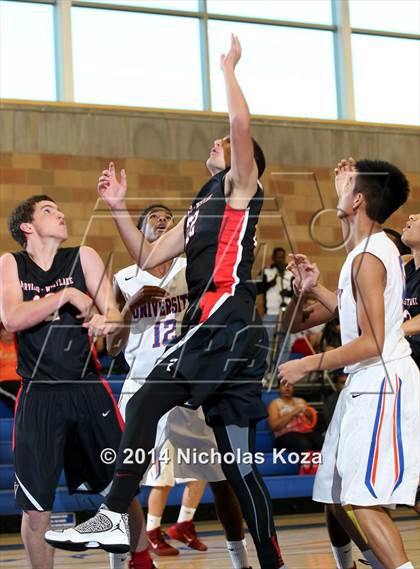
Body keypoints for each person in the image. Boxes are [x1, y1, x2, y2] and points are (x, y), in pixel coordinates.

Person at [45, 35, 286, 569]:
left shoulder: (240, 186)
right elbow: (150, 255)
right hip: (222, 335)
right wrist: (118, 207)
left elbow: (243, 127)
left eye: (224, 140)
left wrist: (227, 69)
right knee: (239, 467)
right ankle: (273, 562)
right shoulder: (202, 202)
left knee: (149, 397)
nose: (221, 140)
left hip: (225, 319)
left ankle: (111, 511)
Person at [0, 195, 154, 569]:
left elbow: (115, 315)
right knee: (37, 509)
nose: (62, 213)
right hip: (38, 394)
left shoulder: (83, 256)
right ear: (27, 226)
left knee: (120, 491)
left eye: (60, 207)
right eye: (49, 211)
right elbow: (12, 318)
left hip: (88, 390)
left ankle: (142, 559)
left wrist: (110, 321)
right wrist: (66, 295)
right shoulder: (11, 263)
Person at [279, 158, 418, 569]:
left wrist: (309, 364)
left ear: (358, 200)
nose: (337, 188)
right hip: (364, 384)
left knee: (364, 498)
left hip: (382, 379)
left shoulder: (370, 257)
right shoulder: (360, 254)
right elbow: (292, 325)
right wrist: (305, 290)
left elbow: (373, 341)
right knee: (337, 496)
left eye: (345, 185)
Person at [109, 204, 250, 567]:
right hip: (140, 384)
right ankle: (125, 560)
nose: (162, 219)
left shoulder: (192, 270)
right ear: (137, 231)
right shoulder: (124, 278)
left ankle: (240, 560)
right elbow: (109, 346)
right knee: (123, 481)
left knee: (218, 478)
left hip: (185, 385)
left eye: (167, 217)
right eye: (153, 216)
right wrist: (129, 309)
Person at [257, 247, 293, 369]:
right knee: (267, 344)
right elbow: (257, 289)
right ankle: (266, 374)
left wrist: (287, 293)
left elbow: (298, 292)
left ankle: (280, 374)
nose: (280, 260)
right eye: (278, 257)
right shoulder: (266, 271)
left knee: (285, 345)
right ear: (273, 258)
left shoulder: (290, 272)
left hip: (286, 313)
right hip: (271, 313)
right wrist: (269, 284)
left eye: (282, 257)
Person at [267, 383, 322, 453]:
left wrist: (309, 415)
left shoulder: (301, 401)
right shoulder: (274, 404)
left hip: (305, 432)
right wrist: (293, 413)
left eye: (290, 385)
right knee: (303, 443)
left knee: (321, 441)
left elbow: (311, 422)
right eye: (284, 385)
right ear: (279, 388)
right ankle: (307, 462)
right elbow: (273, 426)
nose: (287, 388)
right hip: (286, 435)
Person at [0, 323, 21, 413]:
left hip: (21, 380)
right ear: (0, 333)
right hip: (4, 381)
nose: (8, 333)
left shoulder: (19, 345)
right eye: (5, 331)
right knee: (19, 399)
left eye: (10, 331)